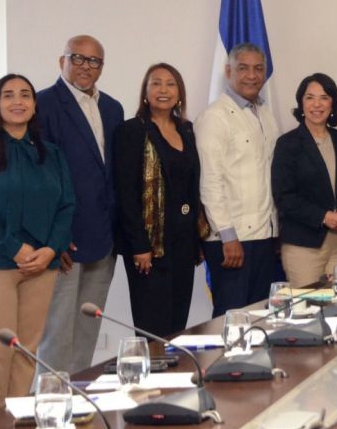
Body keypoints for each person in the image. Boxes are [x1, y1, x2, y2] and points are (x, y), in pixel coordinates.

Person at [0, 75, 75, 415]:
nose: (17, 101)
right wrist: (14, 249)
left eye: (25, 95)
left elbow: (67, 206)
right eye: (8, 95)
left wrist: (51, 249)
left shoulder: (52, 155)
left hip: (42, 265)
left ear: (34, 105)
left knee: (26, 353)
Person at [36, 35, 124, 374]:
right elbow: (41, 179)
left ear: (102, 67)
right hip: (64, 242)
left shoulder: (112, 108)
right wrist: (53, 238)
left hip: (103, 238)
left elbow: (112, 173)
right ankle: (51, 399)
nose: (86, 66)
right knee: (57, 333)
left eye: (94, 61)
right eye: (78, 58)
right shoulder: (43, 105)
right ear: (62, 61)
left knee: (88, 330)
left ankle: (76, 397)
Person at [113, 63, 201, 336]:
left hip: (184, 241)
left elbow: (193, 185)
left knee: (178, 323)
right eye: (156, 83)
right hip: (150, 246)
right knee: (153, 325)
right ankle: (153, 365)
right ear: (145, 91)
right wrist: (140, 244)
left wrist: (197, 239)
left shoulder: (188, 129)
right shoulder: (131, 131)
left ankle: (174, 365)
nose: (164, 90)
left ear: (180, 93)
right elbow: (125, 194)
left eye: (171, 84)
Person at [197, 43, 280, 317]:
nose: (252, 76)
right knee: (231, 319)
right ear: (228, 71)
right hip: (231, 240)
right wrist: (228, 237)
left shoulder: (265, 115)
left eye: (258, 69)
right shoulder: (214, 117)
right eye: (243, 68)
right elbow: (210, 182)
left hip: (264, 237)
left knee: (260, 317)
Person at [272, 74, 337, 288]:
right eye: (310, 97)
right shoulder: (287, 144)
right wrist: (324, 216)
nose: (317, 104)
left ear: (333, 104)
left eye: (324, 97)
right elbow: (284, 197)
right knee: (308, 305)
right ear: (301, 103)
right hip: (304, 245)